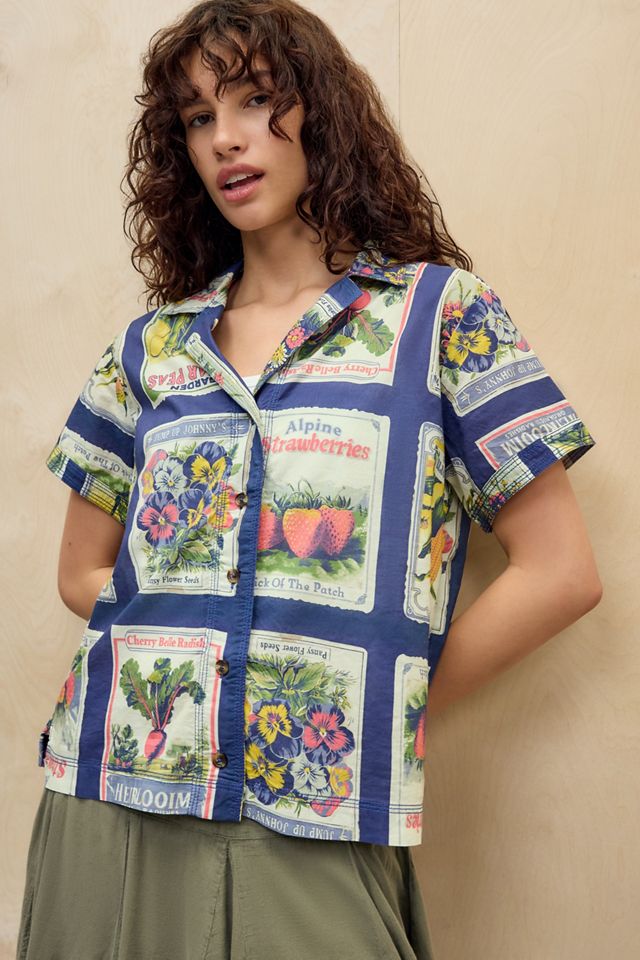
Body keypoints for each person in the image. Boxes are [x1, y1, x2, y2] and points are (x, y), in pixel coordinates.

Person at [16, 1, 602, 958]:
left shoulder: (440, 316)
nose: (226, 138)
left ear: (320, 113)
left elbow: (562, 573)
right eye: (199, 117)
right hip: (111, 791)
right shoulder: (150, 350)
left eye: (255, 100)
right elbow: (83, 574)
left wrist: (382, 699)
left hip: (319, 802)